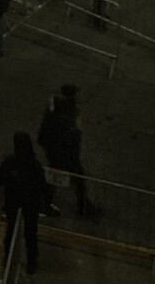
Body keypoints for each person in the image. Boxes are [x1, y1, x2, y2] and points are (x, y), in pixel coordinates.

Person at [0, 131, 53, 274]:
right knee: (31, 233)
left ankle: (8, 258)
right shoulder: (34, 165)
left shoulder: (10, 162)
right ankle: (32, 262)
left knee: (11, 231)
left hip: (13, 202)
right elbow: (43, 186)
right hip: (31, 203)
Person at [38, 84, 97, 217]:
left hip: (57, 153)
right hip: (66, 155)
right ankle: (81, 207)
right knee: (72, 180)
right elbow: (73, 136)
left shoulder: (55, 109)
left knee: (57, 180)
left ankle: (81, 206)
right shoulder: (69, 114)